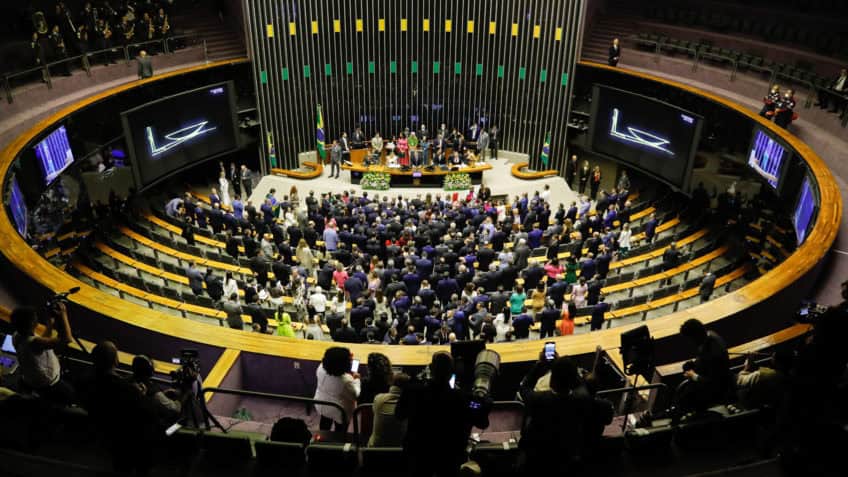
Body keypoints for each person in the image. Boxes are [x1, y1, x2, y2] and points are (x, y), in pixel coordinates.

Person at [84, 341, 159, 474]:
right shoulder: (125, 387)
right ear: (116, 361)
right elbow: (148, 411)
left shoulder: (86, 382)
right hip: (129, 438)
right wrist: (141, 395)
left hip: (105, 434)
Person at [395, 352, 473, 477]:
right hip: (449, 455)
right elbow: (478, 423)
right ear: (452, 372)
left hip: (418, 453)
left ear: (430, 368)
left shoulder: (412, 392)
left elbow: (399, 415)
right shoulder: (461, 397)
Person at [520, 355, 593, 475]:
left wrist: (540, 364)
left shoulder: (538, 400)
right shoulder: (582, 399)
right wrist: (565, 366)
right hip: (567, 453)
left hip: (538, 453)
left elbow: (525, 387)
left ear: (552, 380)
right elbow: (581, 385)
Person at [11, 304, 75, 404]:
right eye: (35, 318)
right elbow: (67, 339)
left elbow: (42, 343)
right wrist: (63, 313)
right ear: (33, 323)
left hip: (31, 382)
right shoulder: (34, 343)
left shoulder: (17, 336)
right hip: (49, 387)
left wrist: (49, 325)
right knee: (70, 395)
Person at [313, 347, 360, 432]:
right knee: (340, 431)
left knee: (324, 424)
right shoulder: (346, 381)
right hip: (339, 411)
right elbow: (355, 395)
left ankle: (322, 438)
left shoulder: (320, 368)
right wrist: (356, 380)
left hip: (322, 404)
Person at [369, 373, 410, 447]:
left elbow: (374, 412)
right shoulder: (411, 403)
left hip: (376, 448)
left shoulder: (378, 398)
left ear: (391, 384)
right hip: (400, 449)